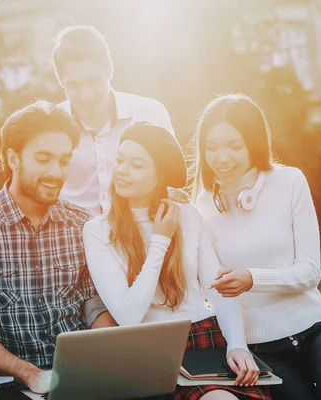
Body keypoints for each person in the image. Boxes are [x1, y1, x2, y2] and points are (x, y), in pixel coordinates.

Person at [192, 94, 321, 400]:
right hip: (263, 349)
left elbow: (310, 272)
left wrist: (252, 278)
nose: (222, 157)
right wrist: (237, 345)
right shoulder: (203, 207)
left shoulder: (289, 181)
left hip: (318, 329)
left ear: (255, 143)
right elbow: (216, 293)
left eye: (235, 146)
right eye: (212, 147)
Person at [83, 121, 271, 400]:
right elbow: (128, 317)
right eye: (120, 159)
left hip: (205, 341)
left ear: (158, 176)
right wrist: (160, 241)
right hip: (151, 351)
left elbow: (219, 289)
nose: (121, 171)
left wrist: (237, 344)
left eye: (137, 165)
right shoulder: (98, 230)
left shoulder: (188, 216)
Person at [0, 101, 116, 396]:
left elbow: (93, 306)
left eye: (63, 160)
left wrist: (115, 351)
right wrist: (29, 374)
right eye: (43, 158)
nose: (56, 172)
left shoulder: (82, 225)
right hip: (7, 385)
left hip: (80, 378)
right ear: (13, 158)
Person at [53, 25, 187, 216]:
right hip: (73, 241)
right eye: (74, 85)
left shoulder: (149, 113)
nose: (86, 95)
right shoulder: (51, 125)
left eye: (93, 81)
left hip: (143, 237)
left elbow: (171, 186)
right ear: (60, 80)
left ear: (109, 69)